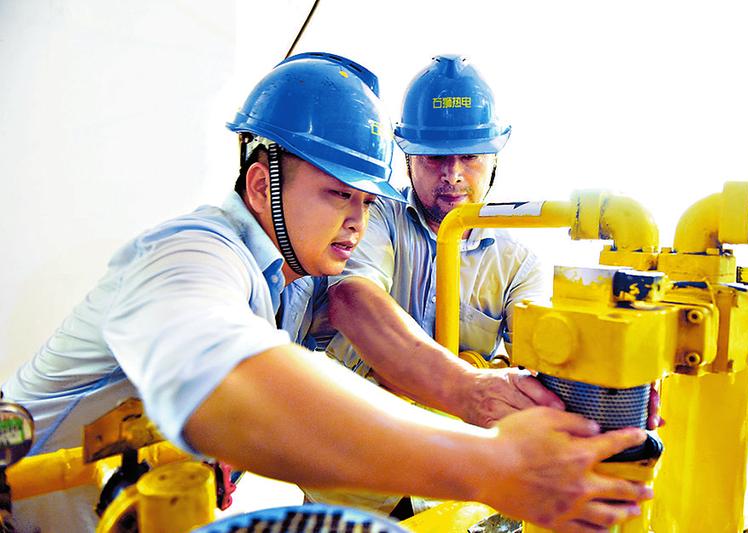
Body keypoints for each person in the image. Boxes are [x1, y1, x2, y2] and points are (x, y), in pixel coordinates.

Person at [2, 52, 649, 533]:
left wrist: (595, 403)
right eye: (338, 194)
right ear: (261, 187)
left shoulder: (294, 288)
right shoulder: (191, 254)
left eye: (366, 201)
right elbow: (228, 386)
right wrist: (491, 464)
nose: (357, 222)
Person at [303, 55, 659, 520]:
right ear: (407, 157)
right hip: (350, 484)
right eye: (435, 157)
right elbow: (353, 300)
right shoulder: (373, 216)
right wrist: (469, 386)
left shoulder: (517, 263)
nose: (453, 174)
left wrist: (611, 384)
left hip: (453, 494)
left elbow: (546, 352)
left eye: (469, 157)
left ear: (494, 158)